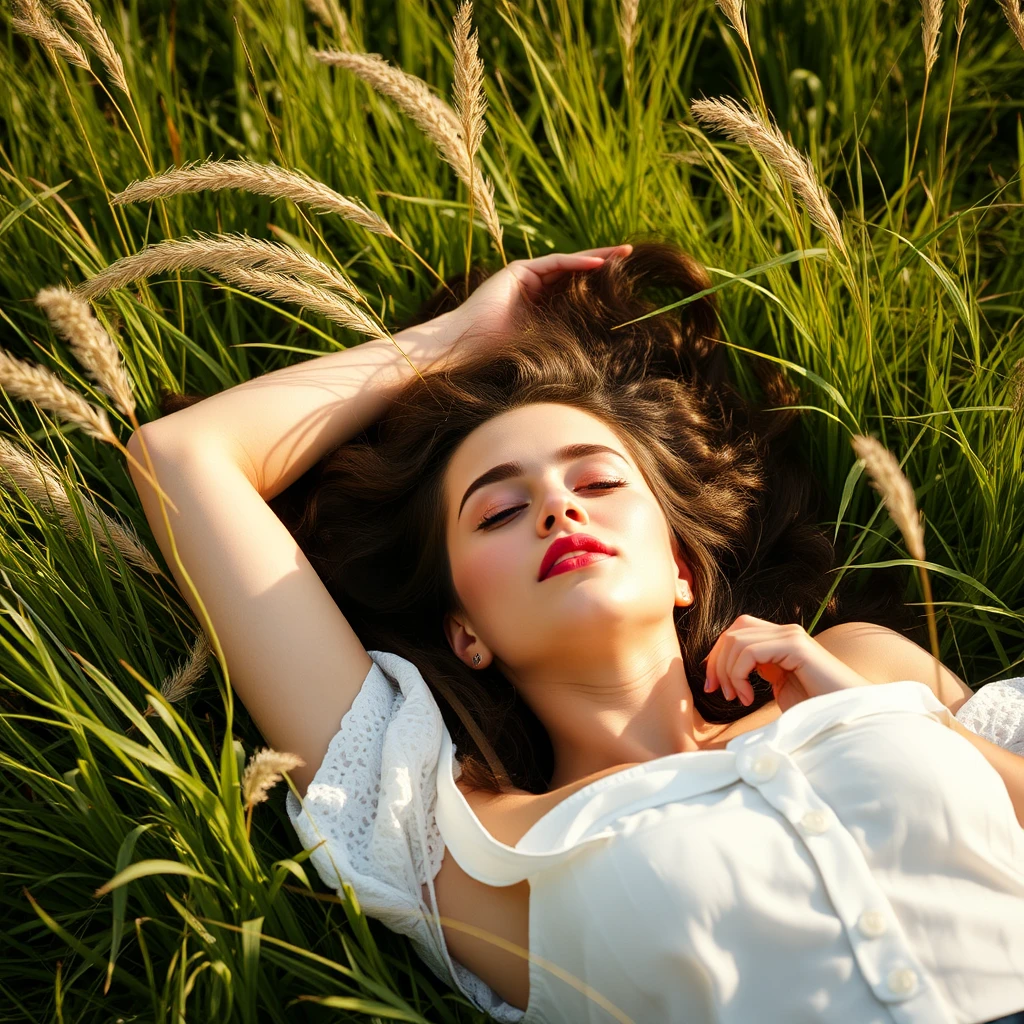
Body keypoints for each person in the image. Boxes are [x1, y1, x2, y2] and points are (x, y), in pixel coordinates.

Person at [127, 242, 1024, 1024]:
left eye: (596, 483)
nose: (557, 506)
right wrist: (449, 344)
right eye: (502, 511)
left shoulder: (863, 662)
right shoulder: (463, 845)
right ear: (465, 630)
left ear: (680, 566)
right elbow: (182, 461)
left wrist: (895, 719)